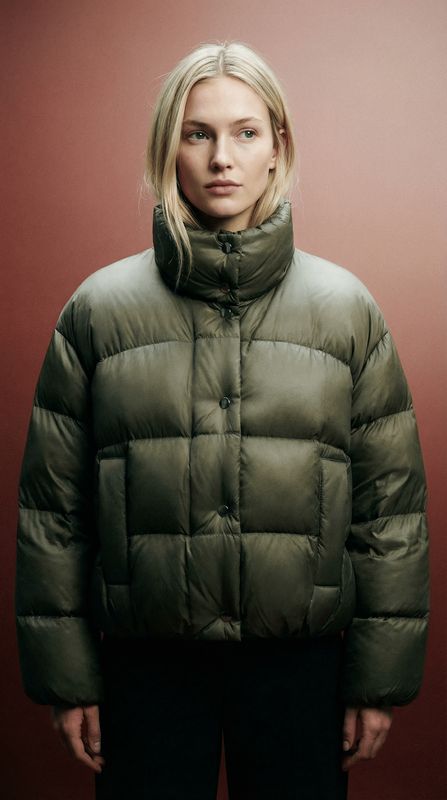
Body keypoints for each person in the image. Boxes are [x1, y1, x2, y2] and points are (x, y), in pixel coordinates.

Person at [15, 40, 430, 800]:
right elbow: (53, 514)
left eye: (245, 132)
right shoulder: (96, 313)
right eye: (197, 133)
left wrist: (378, 678)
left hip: (301, 668)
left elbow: (389, 513)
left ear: (278, 147)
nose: (221, 158)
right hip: (144, 668)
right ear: (167, 149)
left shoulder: (347, 313)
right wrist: (66, 677)